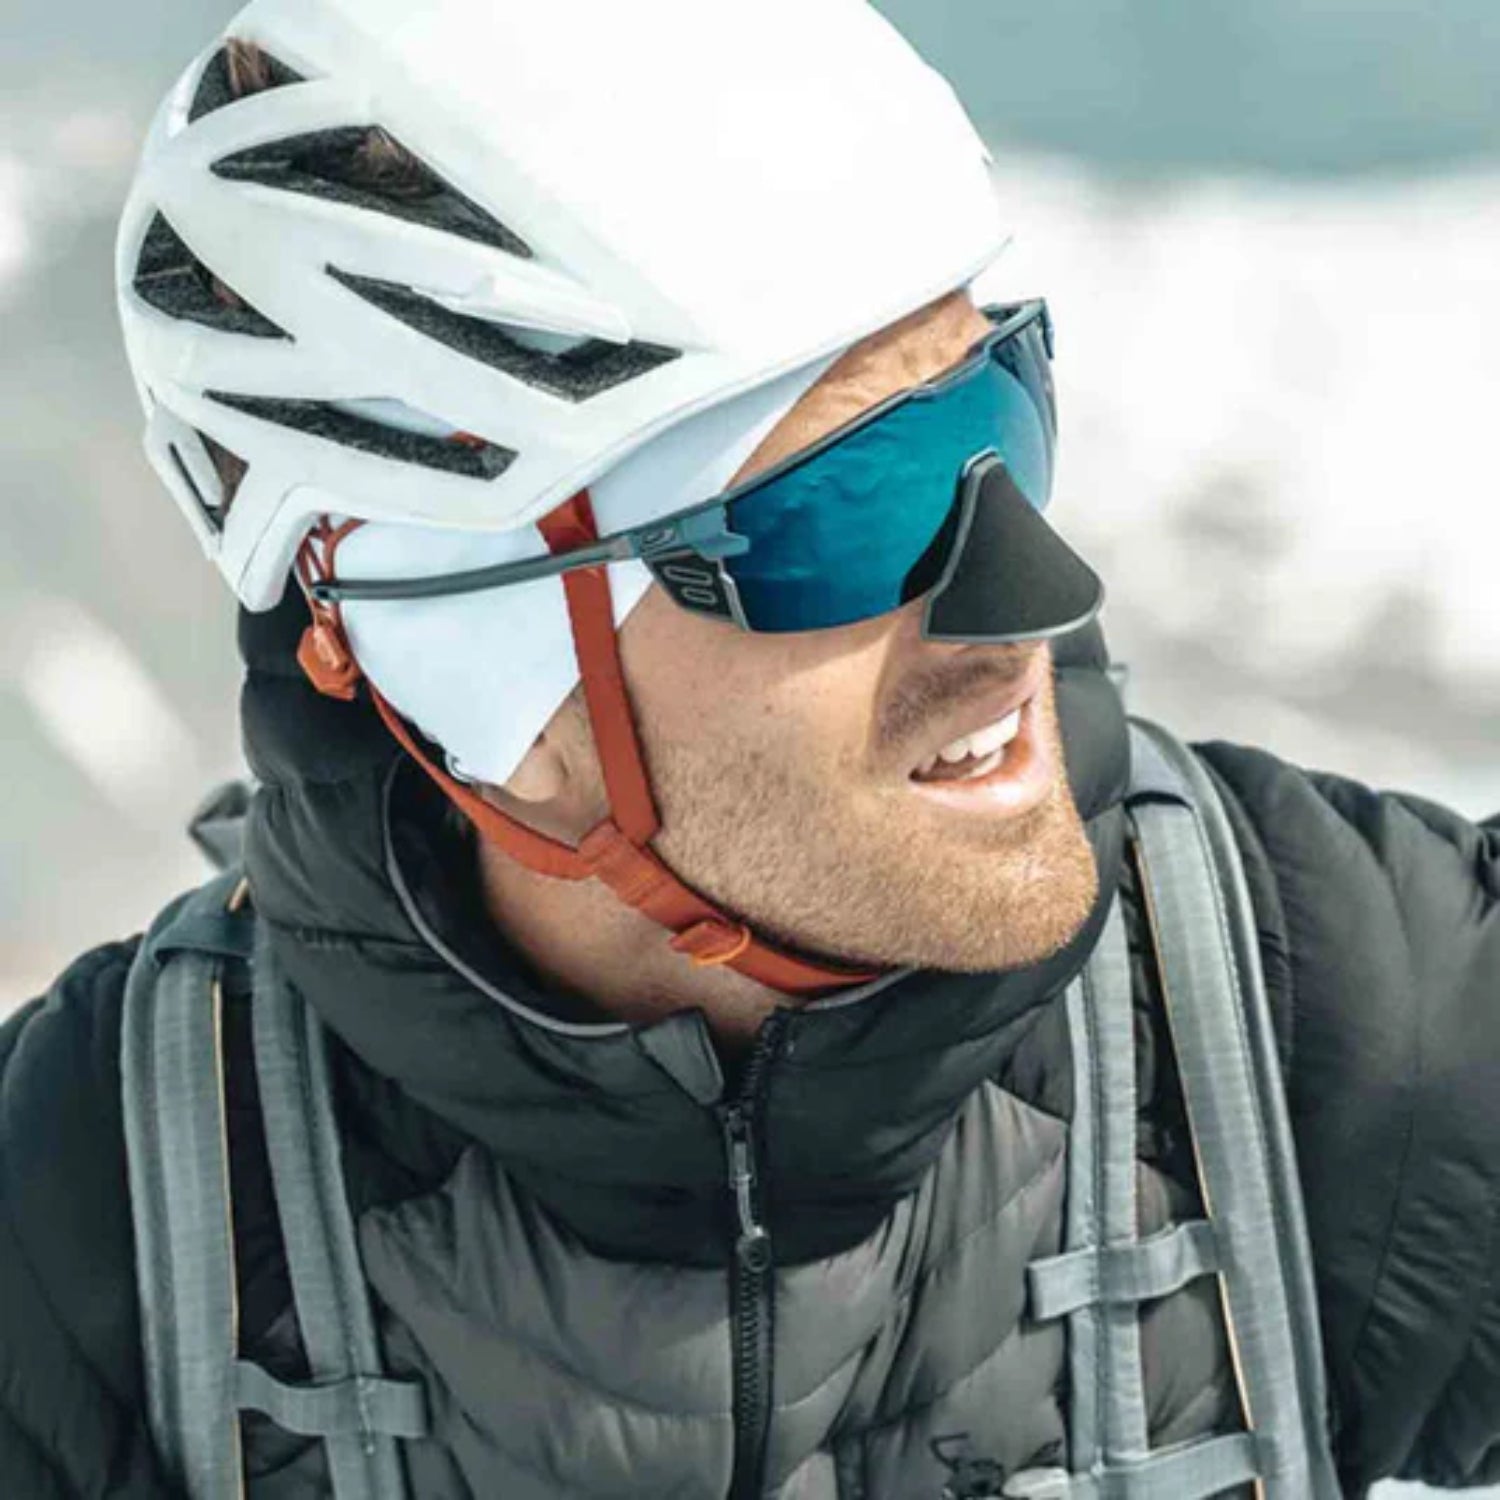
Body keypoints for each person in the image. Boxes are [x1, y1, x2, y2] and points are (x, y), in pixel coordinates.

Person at [3, 1, 1498, 1496]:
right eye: (850, 507)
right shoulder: (92, 1221)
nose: (1037, 594)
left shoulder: (1323, 1014)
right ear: (481, 674)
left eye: (998, 409)